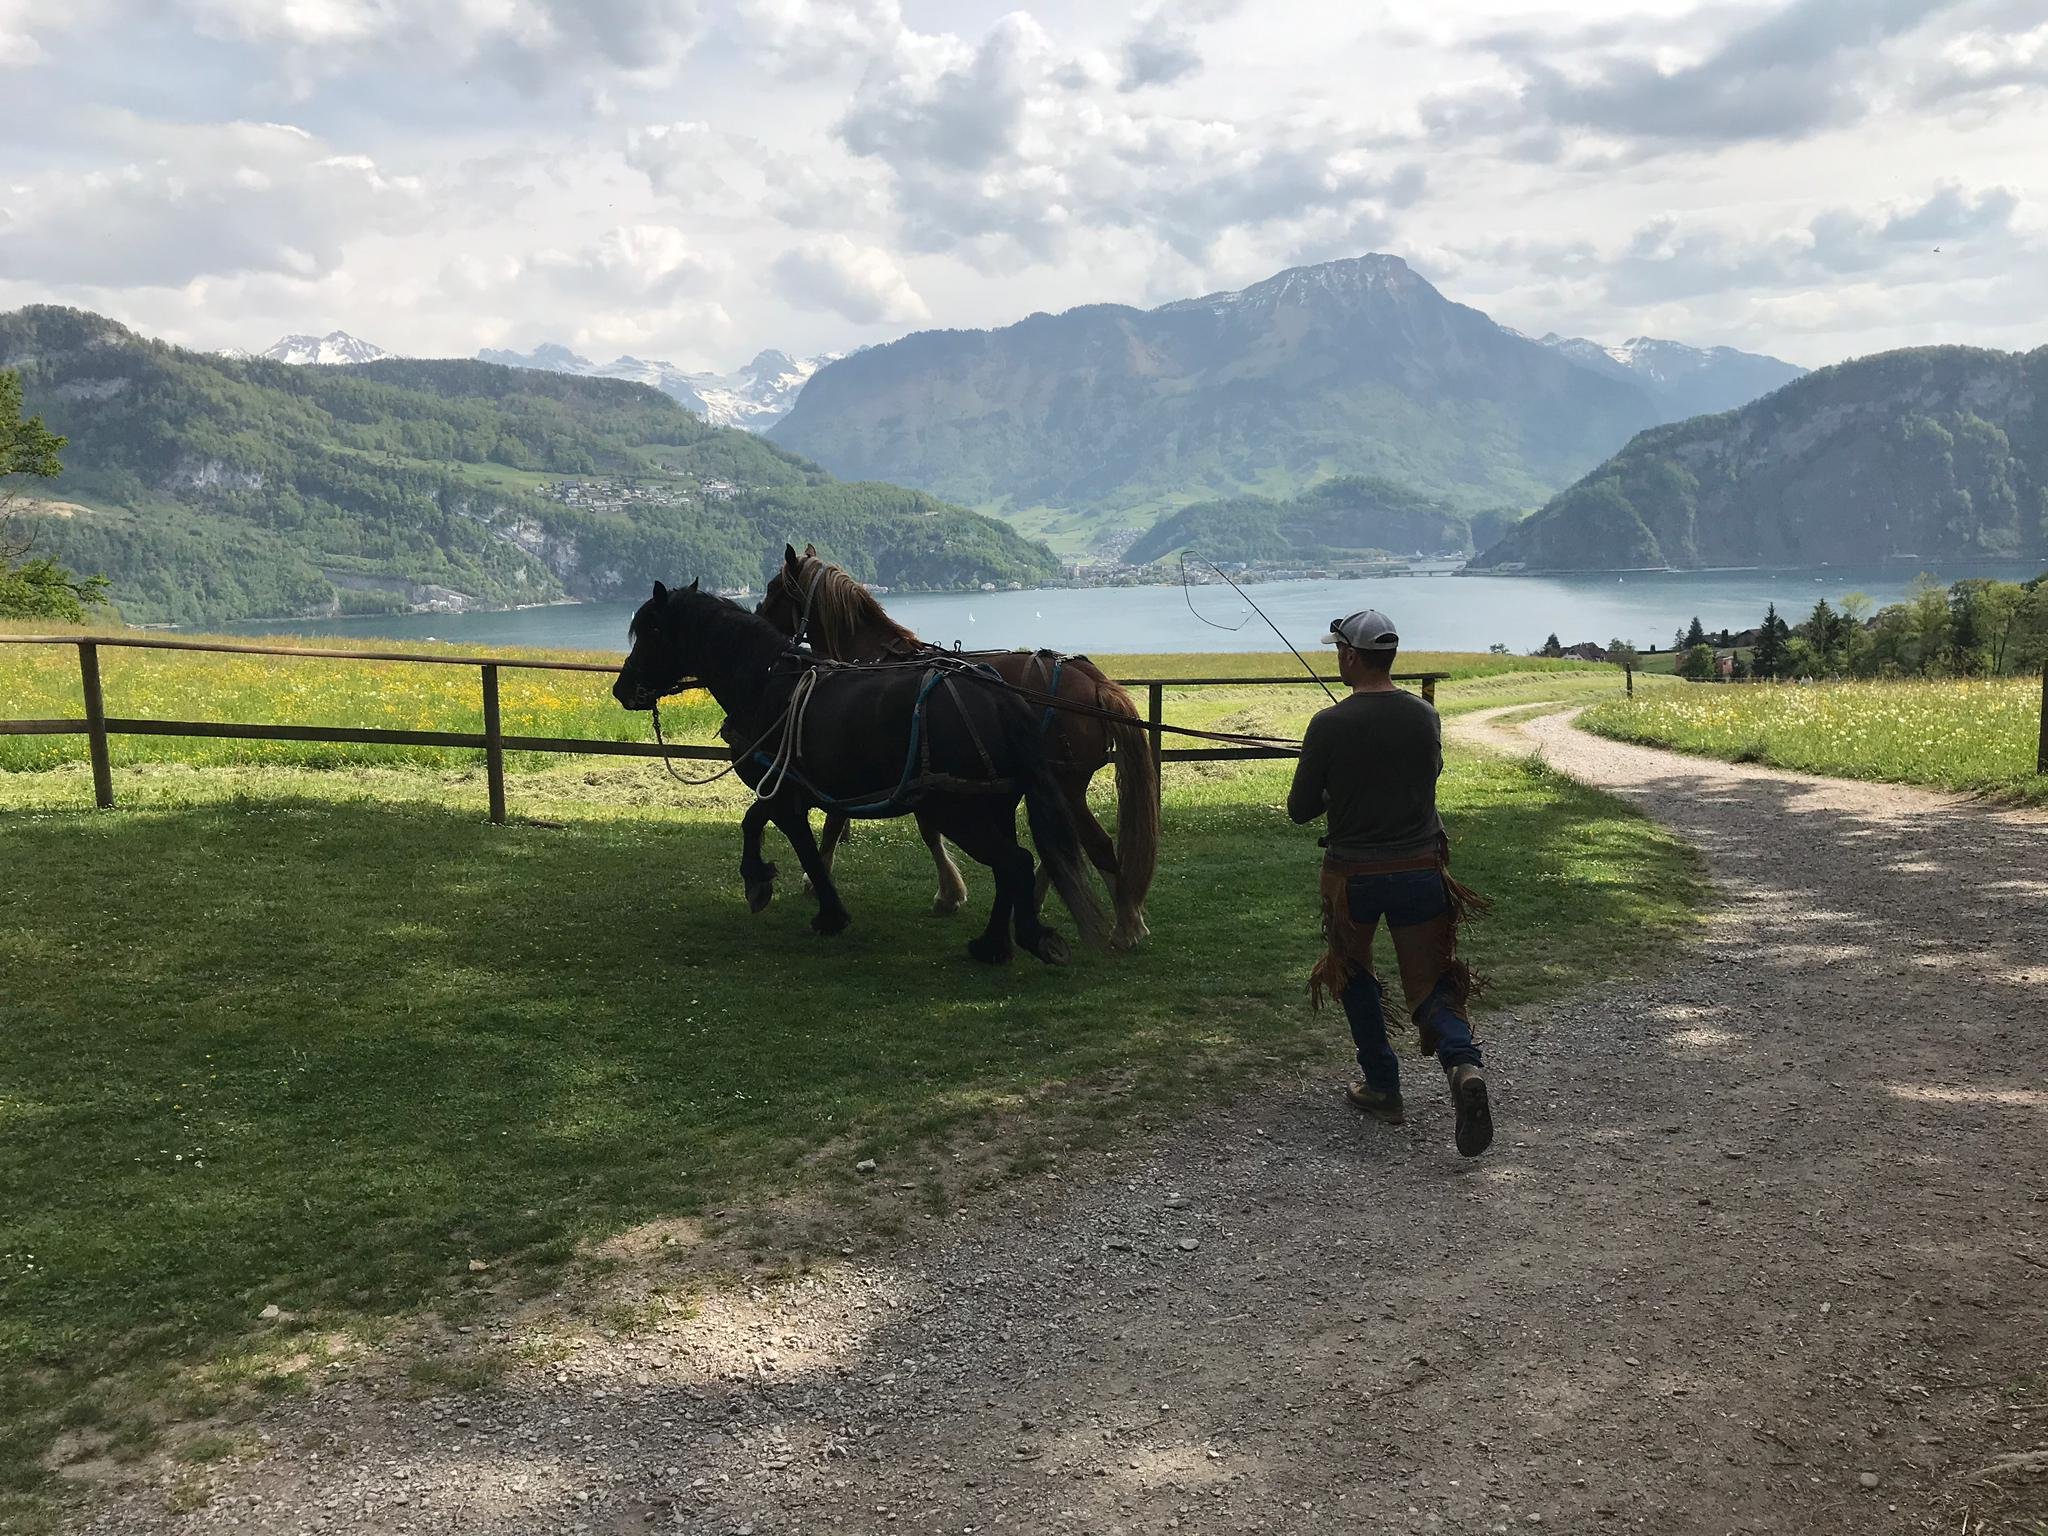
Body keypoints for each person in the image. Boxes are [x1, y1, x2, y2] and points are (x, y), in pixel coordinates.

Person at [1287, 609, 1493, 1157]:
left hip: (1353, 879)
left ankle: (1382, 1085)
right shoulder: (1425, 716)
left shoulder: (1327, 725)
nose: (1336, 658)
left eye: (1338, 651)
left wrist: (1333, 787)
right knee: (1429, 984)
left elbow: (1300, 809)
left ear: (1352, 657)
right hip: (1422, 871)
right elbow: (1425, 777)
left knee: (1354, 975)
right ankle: (1463, 1064)